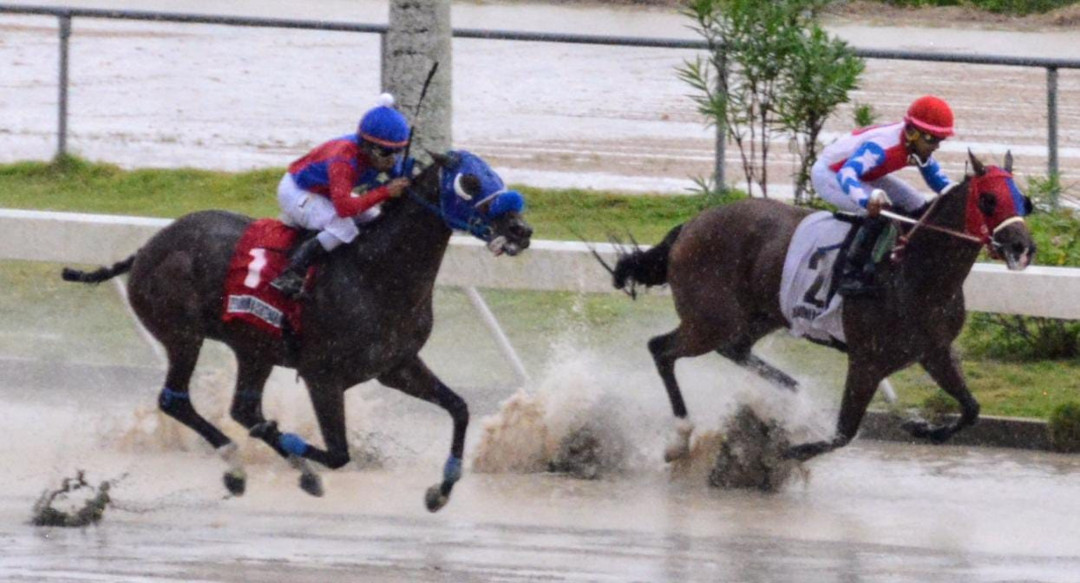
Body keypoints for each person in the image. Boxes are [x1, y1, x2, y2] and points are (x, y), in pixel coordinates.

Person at [811, 95, 956, 297]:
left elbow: (943, 186)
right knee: (880, 212)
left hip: (865, 175)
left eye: (940, 140)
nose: (936, 146)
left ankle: (908, 260)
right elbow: (847, 174)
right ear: (912, 133)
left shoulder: (917, 145)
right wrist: (866, 201)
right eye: (932, 139)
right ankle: (850, 273)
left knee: (918, 204)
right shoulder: (882, 146)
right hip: (830, 174)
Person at [271, 93, 412, 298]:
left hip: (327, 191)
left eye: (397, 152)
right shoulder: (343, 159)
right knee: (344, 227)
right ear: (367, 147)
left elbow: (399, 176)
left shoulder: (379, 153)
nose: (392, 160)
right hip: (297, 190)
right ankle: (293, 272)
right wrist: (385, 191)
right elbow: (345, 209)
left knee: (374, 217)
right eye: (386, 153)